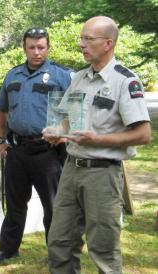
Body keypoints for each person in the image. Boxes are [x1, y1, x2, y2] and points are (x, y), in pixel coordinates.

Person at [44, 16, 151, 274]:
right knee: (59, 243)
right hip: (71, 170)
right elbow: (68, 122)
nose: (81, 44)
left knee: (103, 249)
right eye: (81, 38)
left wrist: (97, 139)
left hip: (103, 174)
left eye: (88, 39)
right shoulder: (78, 78)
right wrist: (58, 133)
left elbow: (143, 134)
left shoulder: (124, 81)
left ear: (108, 43)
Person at [0, 27, 73, 267]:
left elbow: (75, 112)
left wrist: (64, 135)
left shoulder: (60, 76)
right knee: (14, 205)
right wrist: (1, 141)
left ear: (48, 47)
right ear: (24, 48)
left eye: (41, 47)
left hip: (48, 152)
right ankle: (7, 249)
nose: (36, 52)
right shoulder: (13, 76)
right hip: (17, 150)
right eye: (31, 47)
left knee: (53, 206)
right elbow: (1, 110)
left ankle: (57, 255)